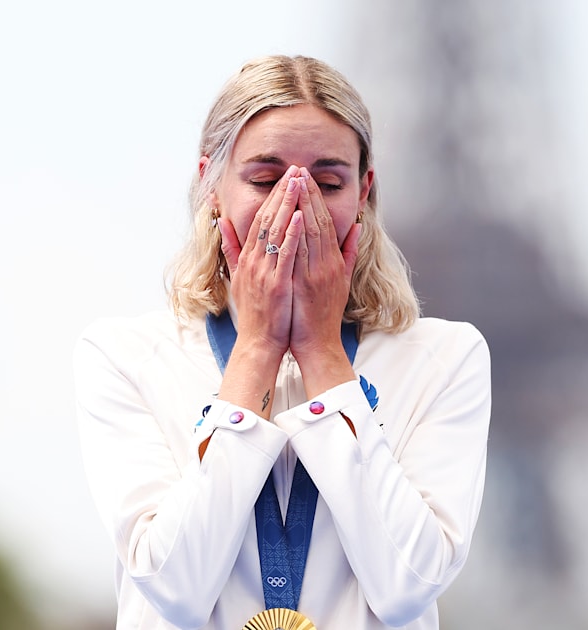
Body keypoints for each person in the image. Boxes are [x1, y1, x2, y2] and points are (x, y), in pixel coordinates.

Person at [74, 55, 491, 630]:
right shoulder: (123, 356)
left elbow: (406, 587)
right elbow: (175, 587)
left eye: (328, 182)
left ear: (364, 192)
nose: (296, 206)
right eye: (265, 180)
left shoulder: (444, 358)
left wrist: (322, 350)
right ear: (211, 186)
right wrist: (258, 348)